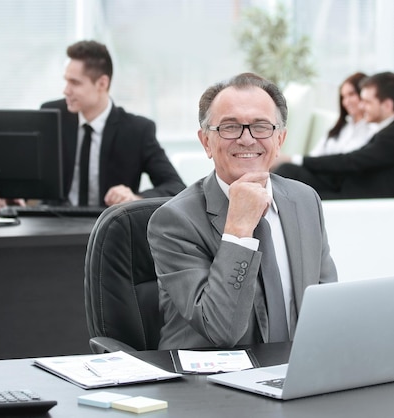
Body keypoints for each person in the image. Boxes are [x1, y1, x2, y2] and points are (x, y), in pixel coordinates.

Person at [147, 73, 338, 350]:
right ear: (206, 142)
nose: (247, 139)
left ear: (280, 138)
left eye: (261, 127)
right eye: (230, 127)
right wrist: (238, 230)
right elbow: (220, 329)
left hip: (294, 373)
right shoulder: (173, 221)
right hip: (207, 384)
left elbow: (326, 304)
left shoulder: (305, 200)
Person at [41, 40, 185, 207]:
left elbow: (176, 187)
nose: (66, 90)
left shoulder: (137, 130)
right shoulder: (52, 116)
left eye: (75, 83)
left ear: (102, 83)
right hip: (54, 223)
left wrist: (135, 198)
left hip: (109, 227)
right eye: (66, 81)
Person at [274, 71, 394, 199]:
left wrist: (298, 160)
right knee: (288, 172)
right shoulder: (391, 131)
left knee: (295, 190)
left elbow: (351, 161)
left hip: (359, 200)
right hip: (346, 189)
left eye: (367, 102)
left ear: (387, 105)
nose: (362, 106)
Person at [274, 72, 376, 167]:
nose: (346, 102)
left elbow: (346, 162)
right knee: (283, 168)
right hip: (319, 173)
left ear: (363, 94)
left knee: (286, 169)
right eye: (343, 97)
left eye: (351, 94)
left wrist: (290, 159)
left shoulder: (372, 131)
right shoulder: (340, 127)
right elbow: (315, 156)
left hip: (337, 180)